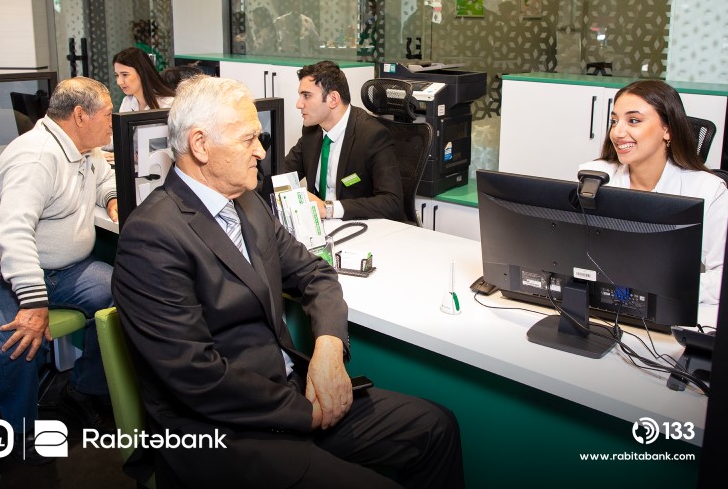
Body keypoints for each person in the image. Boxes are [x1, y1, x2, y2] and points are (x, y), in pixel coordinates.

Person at [111, 75, 464, 489]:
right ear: (201, 145)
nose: (261, 152)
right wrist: (306, 413)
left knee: (435, 427)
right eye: (248, 139)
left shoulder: (248, 204)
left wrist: (329, 348)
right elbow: (197, 377)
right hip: (227, 433)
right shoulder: (152, 235)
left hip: (292, 393)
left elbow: (315, 272)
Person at [0, 77, 118, 464]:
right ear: (80, 116)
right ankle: (19, 434)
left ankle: (84, 391)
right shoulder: (37, 157)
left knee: (122, 294)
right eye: (108, 114)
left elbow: (104, 177)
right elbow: (12, 233)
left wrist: (110, 199)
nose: (113, 122)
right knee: (17, 339)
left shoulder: (85, 150)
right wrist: (33, 302)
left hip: (57, 269)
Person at [580, 79, 728, 304]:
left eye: (633, 120)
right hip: (604, 303)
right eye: (614, 121)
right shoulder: (594, 177)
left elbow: (724, 279)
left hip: (671, 308)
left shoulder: (708, 190)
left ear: (667, 130)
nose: (617, 132)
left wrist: (659, 288)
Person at [284, 60, 403, 221]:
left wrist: (329, 209)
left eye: (306, 96)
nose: (298, 104)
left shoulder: (372, 135)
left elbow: (392, 203)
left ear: (333, 99)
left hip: (361, 226)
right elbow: (282, 176)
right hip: (322, 227)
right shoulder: (311, 131)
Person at [113, 46, 176, 113]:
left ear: (141, 73)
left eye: (125, 74)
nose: (119, 82)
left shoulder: (169, 104)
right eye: (117, 75)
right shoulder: (127, 102)